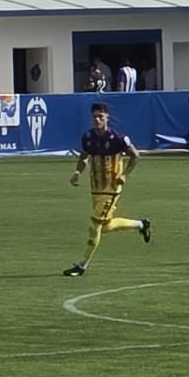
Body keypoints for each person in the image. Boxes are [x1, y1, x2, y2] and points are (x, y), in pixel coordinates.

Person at [64, 102, 151, 277]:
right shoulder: (88, 137)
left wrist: (124, 174)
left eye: (100, 117)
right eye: (95, 117)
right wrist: (77, 172)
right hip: (95, 187)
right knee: (104, 226)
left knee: (94, 225)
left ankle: (82, 265)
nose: (97, 120)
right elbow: (84, 156)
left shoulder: (117, 138)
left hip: (111, 188)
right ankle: (141, 224)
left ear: (107, 118)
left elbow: (135, 156)